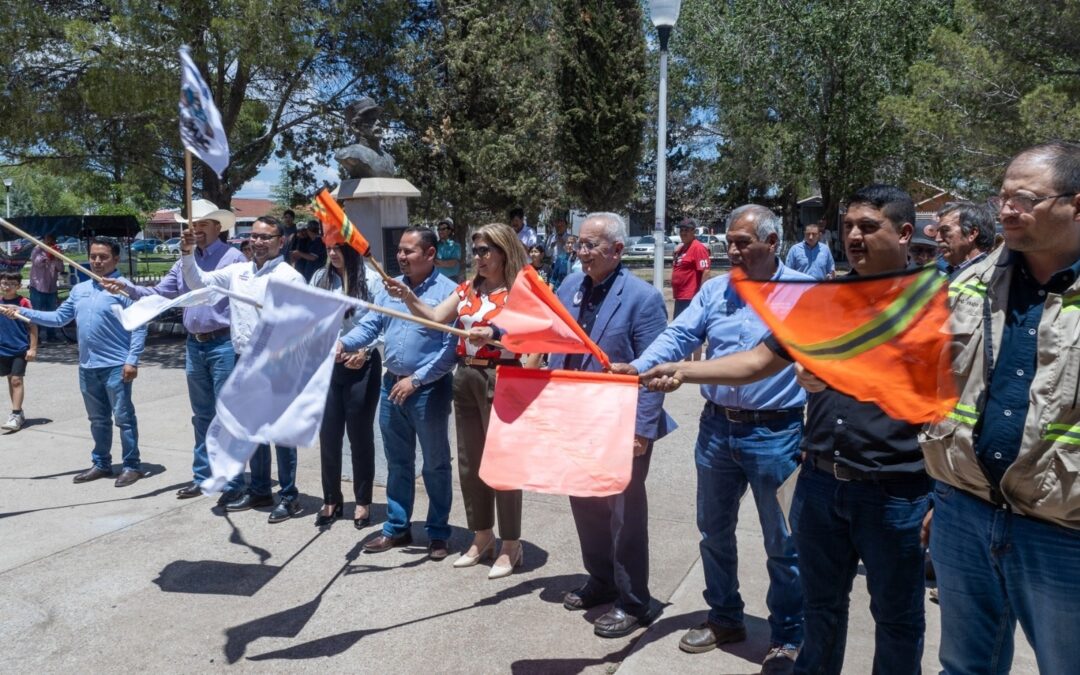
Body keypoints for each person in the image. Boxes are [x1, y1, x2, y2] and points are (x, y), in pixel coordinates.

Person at [641, 185, 931, 674]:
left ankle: (786, 636)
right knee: (818, 602)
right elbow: (756, 361)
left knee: (895, 617)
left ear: (904, 234)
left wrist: (944, 498)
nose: (854, 236)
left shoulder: (932, 304)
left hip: (888, 487)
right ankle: (736, 621)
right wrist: (677, 369)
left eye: (868, 226)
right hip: (815, 474)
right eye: (848, 227)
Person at [613, 204, 809, 673]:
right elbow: (679, 334)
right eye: (729, 242)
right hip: (717, 429)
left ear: (773, 242)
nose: (733, 250)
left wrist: (677, 372)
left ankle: (788, 636)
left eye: (743, 242)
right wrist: (639, 368)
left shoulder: (803, 294)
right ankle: (725, 616)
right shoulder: (716, 290)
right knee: (713, 533)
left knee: (783, 542)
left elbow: (763, 364)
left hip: (776, 433)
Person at [921, 141, 1080, 674]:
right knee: (965, 668)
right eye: (1004, 196)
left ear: (1076, 204)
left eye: (1026, 198)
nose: (1007, 209)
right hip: (964, 510)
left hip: (1063, 532)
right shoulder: (965, 285)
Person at [550, 212, 674, 639]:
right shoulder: (568, 286)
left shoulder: (643, 298)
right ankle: (600, 579)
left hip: (622, 420)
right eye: (578, 244)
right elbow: (555, 343)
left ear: (617, 250)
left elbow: (654, 367)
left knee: (624, 512)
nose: (580, 253)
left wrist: (643, 428)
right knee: (585, 503)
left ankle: (634, 600)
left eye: (590, 246)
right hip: (576, 415)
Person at [386, 222, 529, 577]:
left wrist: (496, 334)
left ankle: (511, 544)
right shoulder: (468, 289)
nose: (478, 257)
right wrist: (407, 297)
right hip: (465, 376)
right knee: (471, 462)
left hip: (503, 376)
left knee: (504, 464)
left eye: (485, 251)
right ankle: (482, 537)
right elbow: (436, 318)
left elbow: (533, 340)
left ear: (504, 251)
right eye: (476, 250)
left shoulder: (521, 291)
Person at [103, 199, 246, 501]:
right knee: (202, 415)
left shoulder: (233, 258)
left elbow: (219, 297)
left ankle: (233, 482)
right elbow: (158, 293)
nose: (195, 230)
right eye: (191, 225)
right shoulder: (184, 261)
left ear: (218, 228)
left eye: (202, 225)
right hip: (195, 344)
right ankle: (204, 476)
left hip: (223, 343)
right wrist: (127, 287)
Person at [338, 227, 458, 560]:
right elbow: (372, 325)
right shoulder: (390, 287)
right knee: (398, 462)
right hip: (392, 386)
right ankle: (397, 526)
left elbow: (449, 349)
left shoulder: (449, 293)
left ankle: (437, 533)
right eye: (400, 251)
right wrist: (343, 342)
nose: (402, 256)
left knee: (434, 464)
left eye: (409, 251)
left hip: (427, 391)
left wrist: (417, 380)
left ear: (430, 254)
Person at [181, 215, 307, 523]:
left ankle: (289, 496)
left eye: (267, 237)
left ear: (281, 241)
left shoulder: (290, 278)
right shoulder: (237, 272)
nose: (259, 242)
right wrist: (186, 254)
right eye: (255, 236)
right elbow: (198, 283)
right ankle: (261, 489)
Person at [3, 238, 147, 487]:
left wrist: (132, 360)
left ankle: (131, 465)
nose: (97, 261)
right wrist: (21, 312)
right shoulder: (80, 289)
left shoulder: (125, 290)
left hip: (116, 365)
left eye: (103, 257)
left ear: (115, 259)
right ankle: (101, 463)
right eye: (93, 256)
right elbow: (59, 318)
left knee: (123, 418)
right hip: (87, 366)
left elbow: (139, 326)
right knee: (97, 419)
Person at [311, 244, 383, 529]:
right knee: (328, 435)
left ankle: (363, 501)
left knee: (360, 436)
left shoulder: (372, 280)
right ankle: (331, 498)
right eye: (328, 248)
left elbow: (383, 323)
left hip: (361, 365)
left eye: (339, 248)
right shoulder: (320, 278)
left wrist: (364, 351)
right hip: (328, 364)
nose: (332, 254)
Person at [0, 272, 37, 432]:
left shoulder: (23, 302)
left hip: (20, 348)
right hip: (2, 348)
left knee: (16, 380)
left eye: (11, 284)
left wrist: (33, 348)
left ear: (18, 286)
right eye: (3, 283)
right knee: (10, 379)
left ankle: (15, 414)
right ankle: (18, 412)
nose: (6, 286)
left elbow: (33, 325)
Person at [933, 200, 995, 279]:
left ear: (972, 233)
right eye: (937, 232)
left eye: (945, 230)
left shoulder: (990, 276)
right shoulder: (947, 273)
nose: (937, 239)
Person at [28, 234, 65, 342]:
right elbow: (37, 262)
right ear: (44, 239)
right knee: (36, 313)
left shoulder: (56, 250)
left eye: (53, 239)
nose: (51, 241)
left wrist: (57, 257)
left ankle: (51, 336)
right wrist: (48, 255)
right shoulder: (37, 249)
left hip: (51, 288)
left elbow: (61, 268)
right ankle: (35, 337)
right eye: (48, 238)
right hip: (37, 287)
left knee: (52, 313)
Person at [671, 219, 711, 319]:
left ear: (693, 231)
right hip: (680, 296)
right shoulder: (682, 248)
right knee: (678, 327)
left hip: (691, 297)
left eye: (687, 230)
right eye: (681, 230)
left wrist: (701, 295)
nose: (683, 233)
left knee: (686, 328)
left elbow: (706, 271)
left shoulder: (698, 248)